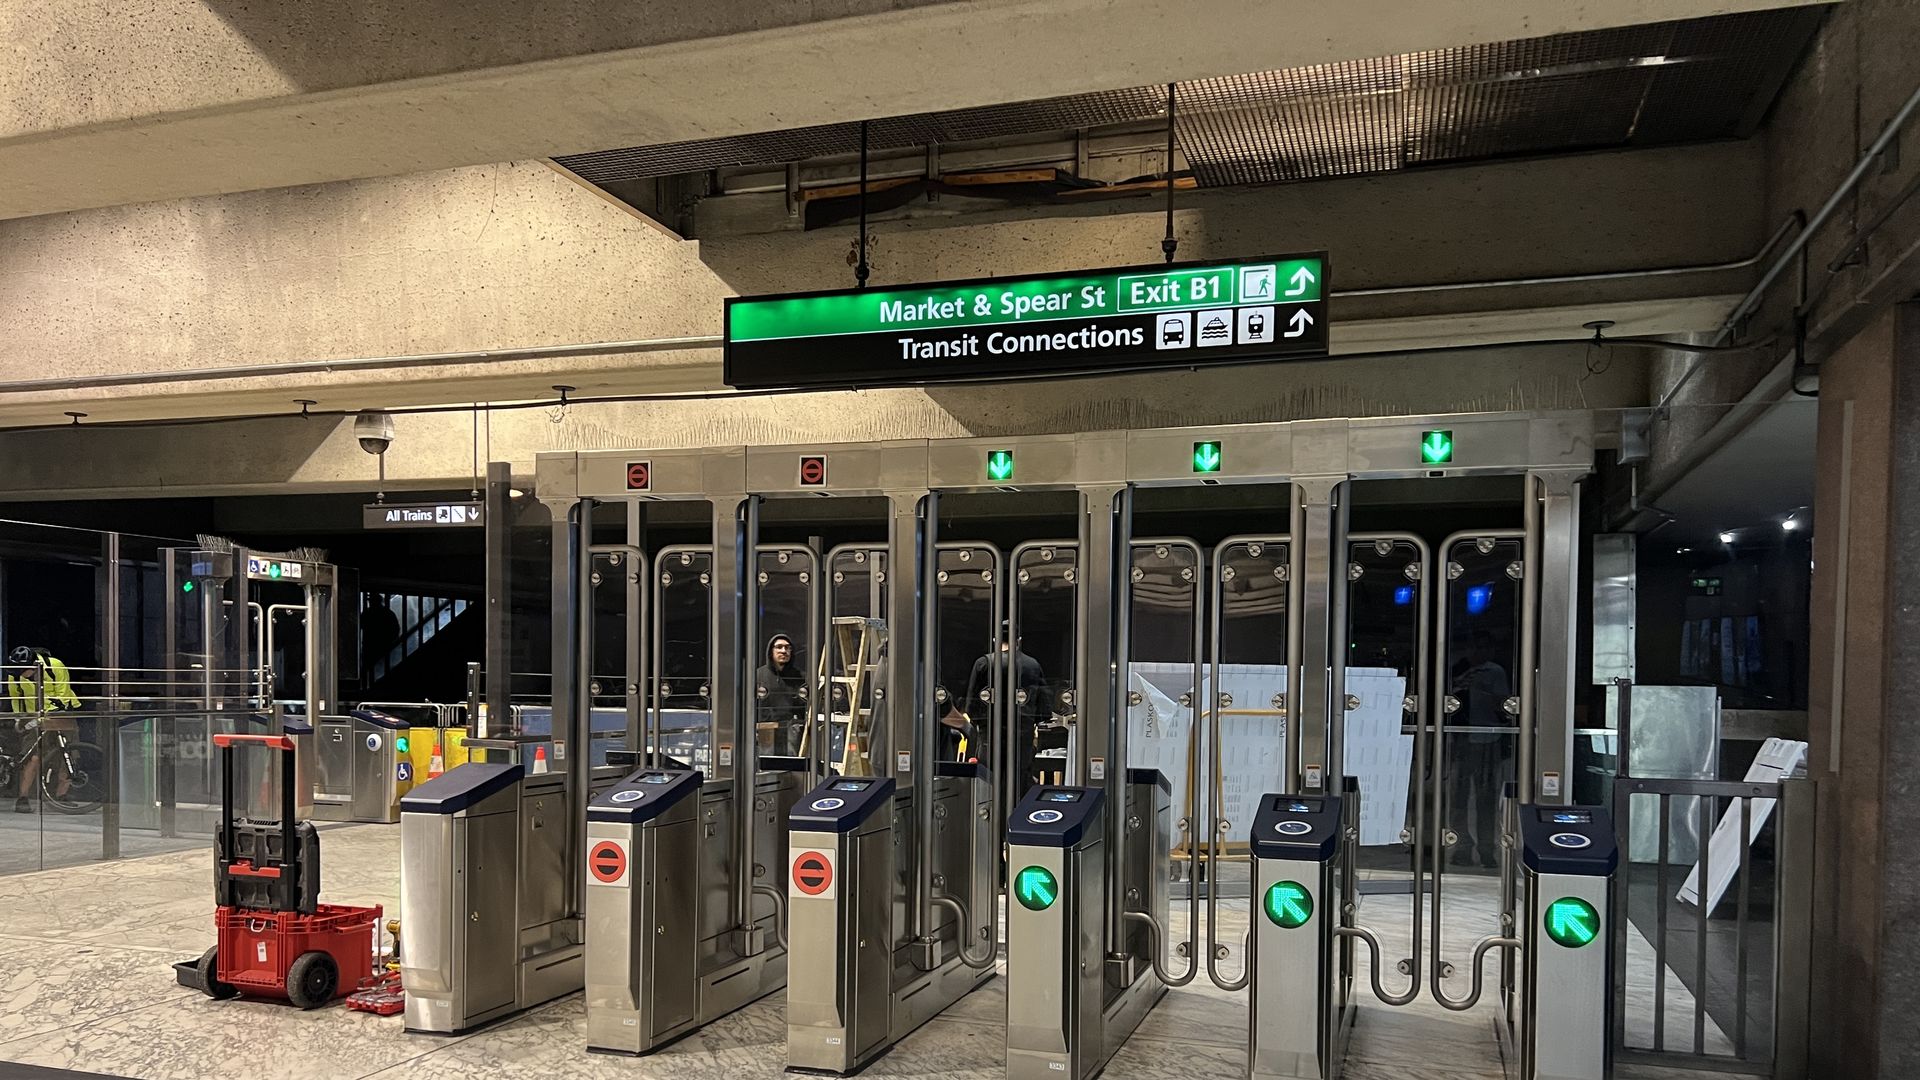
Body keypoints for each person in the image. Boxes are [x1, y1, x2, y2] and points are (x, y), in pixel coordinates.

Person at [1447, 630, 1512, 868]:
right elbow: (1445, 703)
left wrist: (1483, 689)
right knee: (1459, 798)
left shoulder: (1496, 672)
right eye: (1473, 648)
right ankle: (1462, 847)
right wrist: (1460, 685)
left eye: (1483, 648)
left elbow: (1505, 707)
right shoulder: (1457, 670)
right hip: (1462, 739)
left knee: (1487, 798)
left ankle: (1487, 848)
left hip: (1489, 739)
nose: (1477, 653)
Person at [5, 645, 82, 814]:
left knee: (68, 754)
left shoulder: (55, 666)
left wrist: (45, 717)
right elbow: (16, 697)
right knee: (32, 756)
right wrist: (19, 718)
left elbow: (63, 694)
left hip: (61, 712)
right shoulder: (15, 676)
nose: (21, 675)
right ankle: (23, 797)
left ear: (33, 665)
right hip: (33, 715)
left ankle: (61, 796)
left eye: (24, 671)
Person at [754, 633, 809, 756]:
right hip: (765, 735)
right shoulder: (757, 676)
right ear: (771, 650)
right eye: (779, 647)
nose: (784, 651)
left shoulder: (800, 677)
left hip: (792, 736)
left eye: (787, 647)